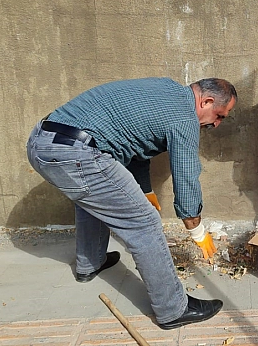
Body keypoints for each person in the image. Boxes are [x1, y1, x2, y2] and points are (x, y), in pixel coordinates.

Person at [26, 77, 236, 329]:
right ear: (207, 101)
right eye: (219, 115)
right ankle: (173, 309)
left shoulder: (166, 90)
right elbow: (186, 173)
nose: (216, 124)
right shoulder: (185, 118)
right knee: (145, 224)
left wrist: (145, 190)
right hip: (75, 152)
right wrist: (196, 229)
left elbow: (135, 145)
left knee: (92, 198)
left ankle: (90, 264)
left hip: (43, 141)